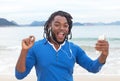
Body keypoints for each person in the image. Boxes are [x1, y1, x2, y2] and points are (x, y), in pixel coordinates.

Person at [15, 10, 109, 81]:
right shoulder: (36, 47)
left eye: (65, 25)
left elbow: (93, 67)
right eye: (57, 24)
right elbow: (20, 75)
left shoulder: (74, 49)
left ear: (69, 28)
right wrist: (24, 51)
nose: (62, 28)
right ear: (49, 26)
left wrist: (104, 55)